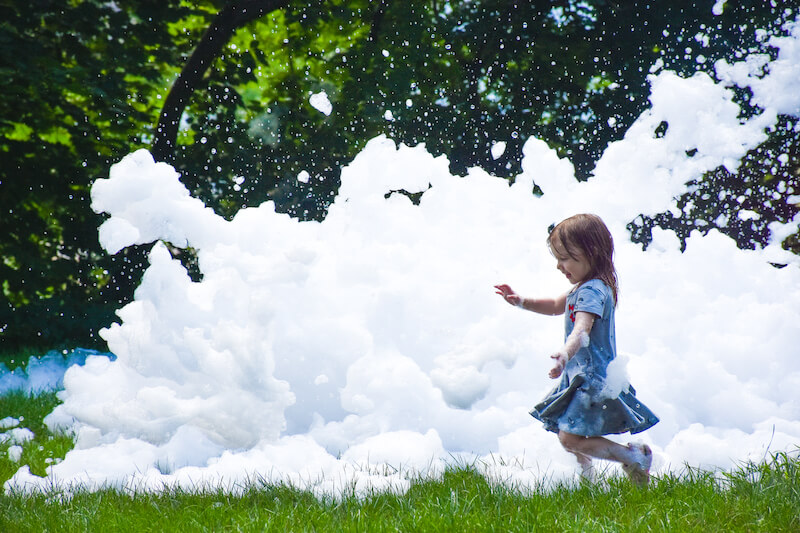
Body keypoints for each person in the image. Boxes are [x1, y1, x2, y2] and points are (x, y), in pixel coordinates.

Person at [495, 213, 659, 485]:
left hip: (589, 377)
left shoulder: (593, 291)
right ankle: (589, 481)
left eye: (565, 258)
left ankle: (633, 457)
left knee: (569, 437)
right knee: (570, 434)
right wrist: (520, 301)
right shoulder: (587, 287)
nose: (559, 266)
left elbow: (582, 327)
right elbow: (555, 305)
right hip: (582, 374)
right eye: (557, 259)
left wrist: (565, 353)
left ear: (591, 253)